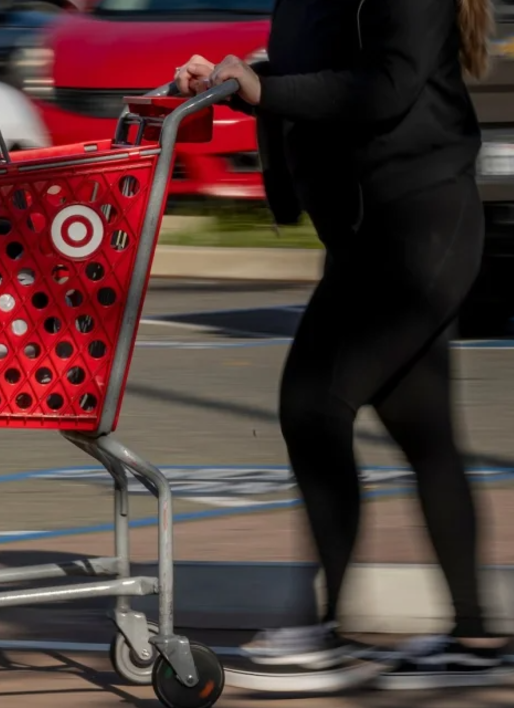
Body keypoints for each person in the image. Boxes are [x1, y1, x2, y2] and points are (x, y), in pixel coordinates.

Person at [175, 0, 512, 689]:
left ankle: (325, 636)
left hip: (413, 228)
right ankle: (475, 641)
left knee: (312, 405)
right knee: (423, 430)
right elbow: (317, 70)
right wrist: (233, 78)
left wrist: (262, 88)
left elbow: (385, 84)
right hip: (368, 229)